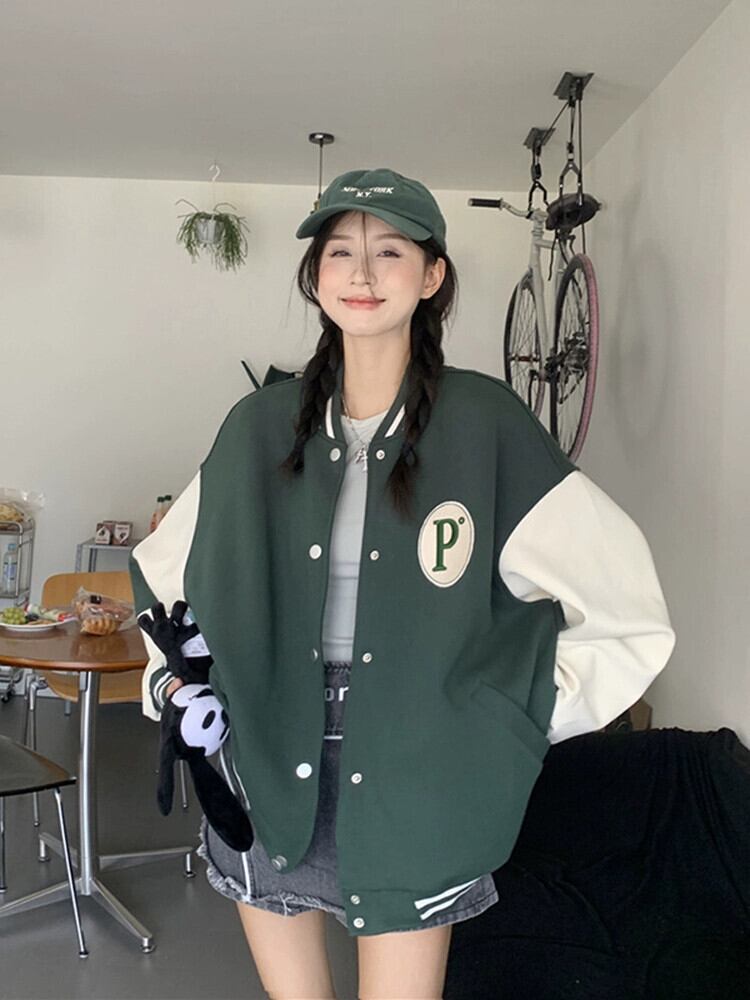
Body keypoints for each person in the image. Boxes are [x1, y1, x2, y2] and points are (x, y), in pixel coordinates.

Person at [130, 167, 676, 1000]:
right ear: (315, 276)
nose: (361, 271)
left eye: (389, 251)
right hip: (263, 747)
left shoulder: (486, 424)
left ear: (431, 276)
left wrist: (513, 715)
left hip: (422, 764)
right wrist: (173, 683)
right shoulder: (257, 427)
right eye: (339, 251)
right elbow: (163, 576)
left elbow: (627, 608)